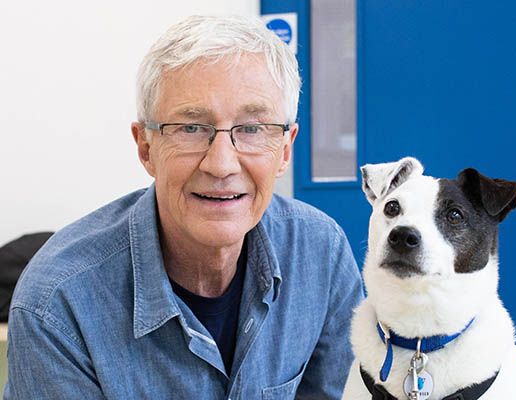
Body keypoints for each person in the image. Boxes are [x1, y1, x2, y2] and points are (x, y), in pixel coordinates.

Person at [4, 15, 363, 399]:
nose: (222, 164)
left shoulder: (320, 254)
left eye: (252, 129)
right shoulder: (57, 304)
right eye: (191, 128)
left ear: (285, 149)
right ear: (146, 148)